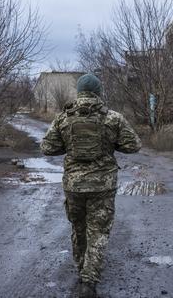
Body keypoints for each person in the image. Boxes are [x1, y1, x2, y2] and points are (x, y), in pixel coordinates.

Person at [40, 73, 141, 298]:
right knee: (99, 231)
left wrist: (68, 146)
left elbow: (47, 147)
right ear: (98, 92)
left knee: (78, 227)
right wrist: (111, 144)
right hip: (103, 185)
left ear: (79, 92)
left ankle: (81, 268)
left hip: (74, 184)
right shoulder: (113, 117)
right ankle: (89, 280)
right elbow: (134, 145)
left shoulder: (64, 118)